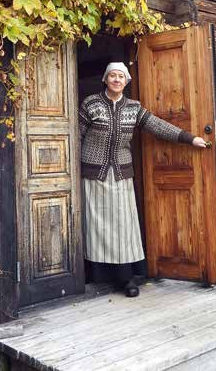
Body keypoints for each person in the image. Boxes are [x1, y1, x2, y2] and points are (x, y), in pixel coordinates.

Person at [79, 62, 207, 297]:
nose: (117, 80)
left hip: (121, 174)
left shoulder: (133, 107)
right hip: (93, 173)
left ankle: (127, 278)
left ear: (127, 82)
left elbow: (157, 126)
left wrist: (190, 139)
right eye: (112, 76)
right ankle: (96, 276)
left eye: (121, 77)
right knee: (96, 224)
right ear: (105, 79)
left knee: (124, 224)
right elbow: (76, 134)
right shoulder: (91, 103)